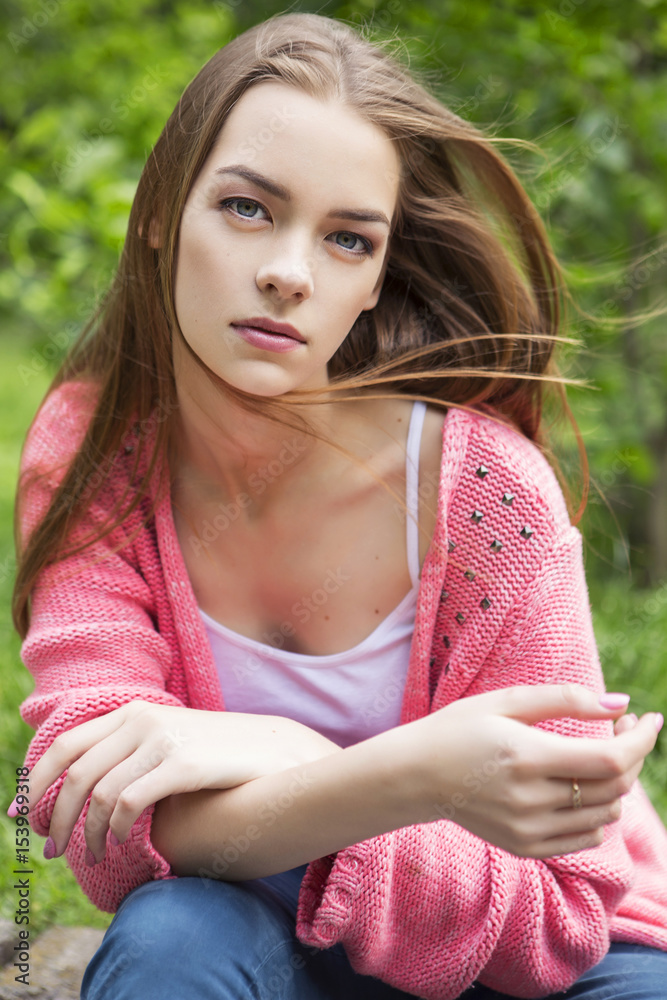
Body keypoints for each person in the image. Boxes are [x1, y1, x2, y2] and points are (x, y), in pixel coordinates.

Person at [9, 11, 667, 1000]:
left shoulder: (485, 491)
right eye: (245, 208)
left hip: (561, 962)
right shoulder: (90, 450)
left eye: (347, 238)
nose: (288, 270)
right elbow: (102, 825)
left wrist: (275, 759)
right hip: (266, 928)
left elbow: (559, 912)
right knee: (171, 938)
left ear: (371, 282)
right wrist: (419, 776)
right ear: (159, 215)